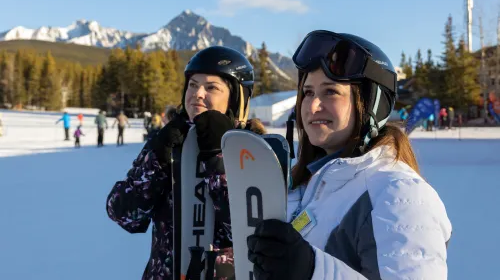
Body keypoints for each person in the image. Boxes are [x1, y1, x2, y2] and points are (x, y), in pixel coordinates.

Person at [246, 30, 452, 280]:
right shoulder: (306, 185)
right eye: (308, 92)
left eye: (330, 92)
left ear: (372, 105)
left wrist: (311, 270)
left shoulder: (399, 195)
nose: (311, 107)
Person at [106, 46, 265, 280]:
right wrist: (157, 161)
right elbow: (123, 214)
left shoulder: (254, 150)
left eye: (211, 87)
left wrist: (217, 158)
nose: (197, 93)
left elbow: (251, 233)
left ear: (236, 98)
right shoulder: (170, 142)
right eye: (192, 84)